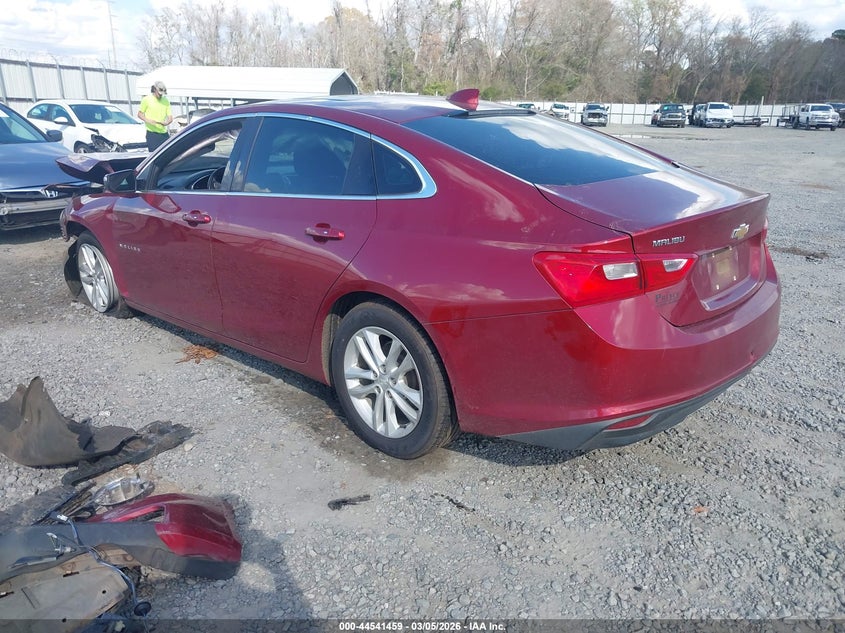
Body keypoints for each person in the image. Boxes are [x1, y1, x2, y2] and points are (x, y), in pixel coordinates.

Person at [138, 81, 172, 151]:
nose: (161, 95)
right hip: (152, 133)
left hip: (163, 133)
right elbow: (139, 114)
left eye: (162, 94)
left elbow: (170, 117)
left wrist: (167, 122)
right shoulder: (146, 99)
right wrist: (148, 120)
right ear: (154, 89)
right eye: (159, 94)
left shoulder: (166, 101)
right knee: (154, 157)